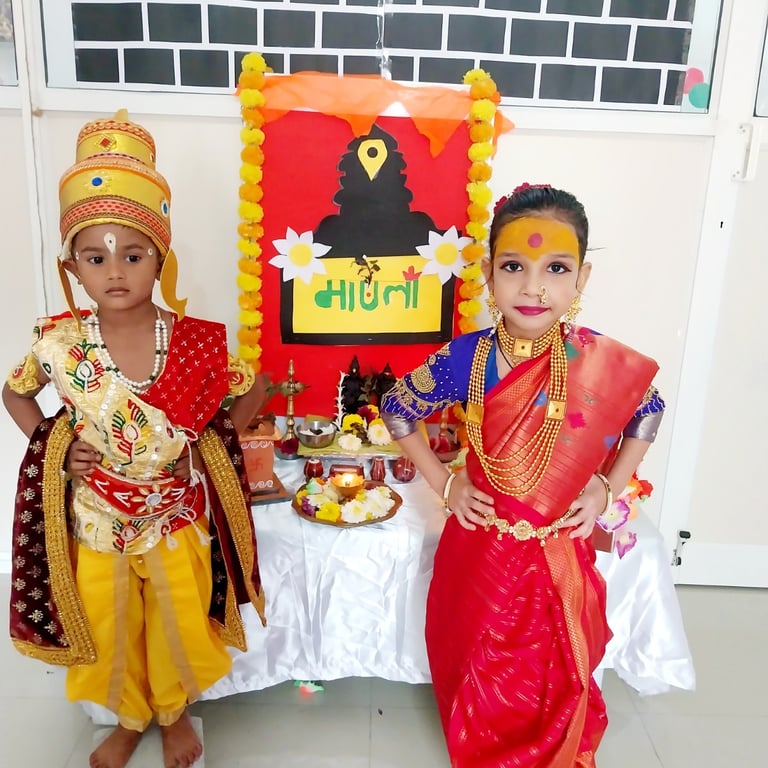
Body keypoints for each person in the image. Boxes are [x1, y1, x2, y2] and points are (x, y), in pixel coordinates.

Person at [3, 111, 268, 768]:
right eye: (95, 258)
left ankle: (173, 715)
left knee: (178, 621)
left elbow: (255, 387)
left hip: (175, 517)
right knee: (110, 623)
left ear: (160, 259)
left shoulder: (195, 341)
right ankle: (126, 718)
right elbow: (15, 393)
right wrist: (56, 447)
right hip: (96, 519)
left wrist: (205, 446)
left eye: (133, 254)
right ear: (72, 267)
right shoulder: (58, 342)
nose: (115, 271)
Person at [380, 183, 665, 768]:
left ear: (581, 278)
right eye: (514, 266)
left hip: (558, 551)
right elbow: (398, 407)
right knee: (477, 664)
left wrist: (606, 485)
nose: (534, 287)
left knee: (555, 669)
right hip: (480, 549)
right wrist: (446, 483)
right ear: (489, 273)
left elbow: (649, 410)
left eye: (556, 268)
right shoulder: (468, 357)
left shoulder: (596, 361)